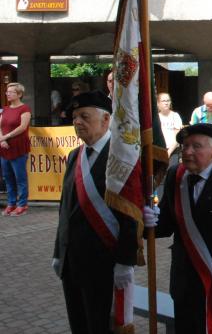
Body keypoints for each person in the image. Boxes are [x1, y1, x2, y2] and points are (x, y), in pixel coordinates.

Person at [143, 123, 212, 334]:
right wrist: (148, 222)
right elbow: (167, 224)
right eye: (185, 146)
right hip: (184, 283)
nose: (187, 152)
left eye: (196, 146)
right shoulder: (175, 175)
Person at [52, 91, 138, 334]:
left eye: (84, 116)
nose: (77, 122)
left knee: (101, 326)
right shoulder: (74, 156)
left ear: (106, 119)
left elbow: (130, 215)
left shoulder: (122, 158)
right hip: (72, 263)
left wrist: (125, 261)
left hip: (104, 263)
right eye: (74, 117)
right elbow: (65, 208)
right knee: (79, 325)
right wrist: (59, 252)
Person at [0, 82, 32, 216]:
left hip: (18, 147)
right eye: (7, 92)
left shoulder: (25, 109)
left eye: (11, 92)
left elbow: (22, 127)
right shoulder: (5, 109)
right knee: (8, 178)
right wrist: (2, 140)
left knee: (20, 178)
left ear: (19, 94)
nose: (7, 94)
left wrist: (6, 137)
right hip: (4, 149)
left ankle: (22, 204)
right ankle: (11, 203)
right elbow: (0, 126)